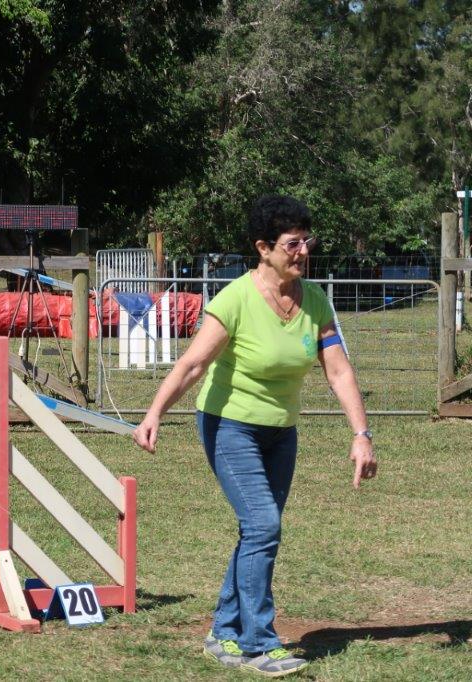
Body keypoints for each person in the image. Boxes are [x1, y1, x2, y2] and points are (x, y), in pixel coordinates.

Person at [132, 195, 377, 677]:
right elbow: (194, 364)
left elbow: (339, 371)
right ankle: (260, 643)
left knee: (257, 530)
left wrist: (361, 433)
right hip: (229, 425)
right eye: (293, 243)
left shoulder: (315, 300)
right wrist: (155, 412)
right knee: (264, 526)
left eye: (308, 241)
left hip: (281, 432)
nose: (303, 251)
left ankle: (223, 633)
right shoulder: (235, 299)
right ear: (263, 248)